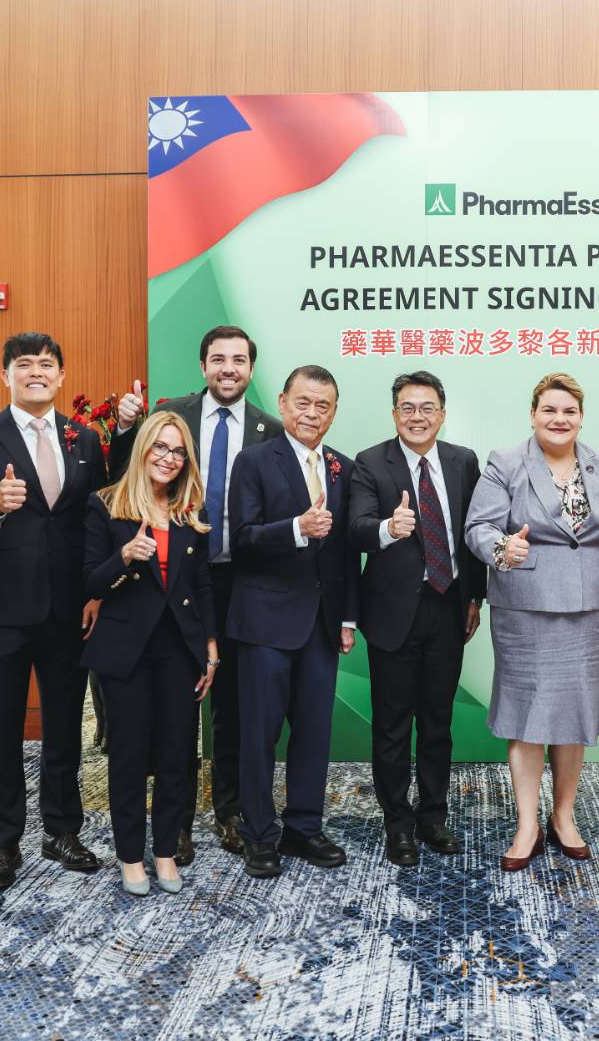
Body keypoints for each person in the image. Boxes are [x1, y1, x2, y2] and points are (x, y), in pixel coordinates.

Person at [109, 325, 279, 859]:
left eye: (238, 360)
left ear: (251, 369)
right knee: (176, 706)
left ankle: (229, 810)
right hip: (172, 582)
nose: (228, 368)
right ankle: (175, 822)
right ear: (203, 366)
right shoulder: (170, 416)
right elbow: (123, 478)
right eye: (218, 359)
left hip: (241, 583)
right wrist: (124, 427)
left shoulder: (270, 431)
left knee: (233, 703)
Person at [464, 372, 599, 872]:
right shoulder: (506, 462)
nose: (559, 419)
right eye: (549, 410)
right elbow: (478, 526)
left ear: (581, 417)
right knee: (525, 715)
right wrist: (503, 547)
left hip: (588, 608)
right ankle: (527, 823)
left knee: (572, 714)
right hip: (525, 606)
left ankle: (563, 816)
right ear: (533, 414)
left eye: (569, 411)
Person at [0, 332, 112, 889]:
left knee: (64, 724)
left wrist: (96, 591)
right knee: (1, 729)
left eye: (47, 364)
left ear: (61, 376)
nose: (37, 372)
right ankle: (3, 842)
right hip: (5, 605)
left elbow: (97, 519)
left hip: (69, 606)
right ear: (7, 376)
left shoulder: (84, 438)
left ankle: (62, 830)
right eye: (25, 364)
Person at [348, 372, 487, 867]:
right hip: (393, 613)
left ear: (442, 414)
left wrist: (475, 598)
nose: (417, 417)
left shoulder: (462, 461)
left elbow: (474, 535)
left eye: (427, 408)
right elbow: (356, 528)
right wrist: (390, 527)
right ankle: (398, 824)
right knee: (392, 726)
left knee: (437, 722)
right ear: (394, 414)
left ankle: (433, 817)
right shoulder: (370, 462)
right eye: (407, 408)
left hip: (448, 607)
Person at [228, 364, 360, 878]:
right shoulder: (254, 461)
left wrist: (348, 617)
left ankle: (303, 828)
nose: (311, 413)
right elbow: (241, 539)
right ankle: (258, 834)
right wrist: (297, 529)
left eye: (322, 406)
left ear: (334, 413)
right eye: (302, 403)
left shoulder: (343, 468)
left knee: (314, 734)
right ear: (283, 404)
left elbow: (347, 552)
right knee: (258, 734)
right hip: (265, 622)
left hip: (322, 625)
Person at [81, 411, 218, 895]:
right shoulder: (106, 504)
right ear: (142, 449)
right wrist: (123, 557)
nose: (168, 458)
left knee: (177, 755)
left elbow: (202, 585)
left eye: (178, 451)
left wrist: (211, 647)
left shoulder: (188, 512)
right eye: (160, 447)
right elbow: (88, 582)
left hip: (179, 650)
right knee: (129, 756)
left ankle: (164, 852)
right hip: (125, 652)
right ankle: (129, 856)